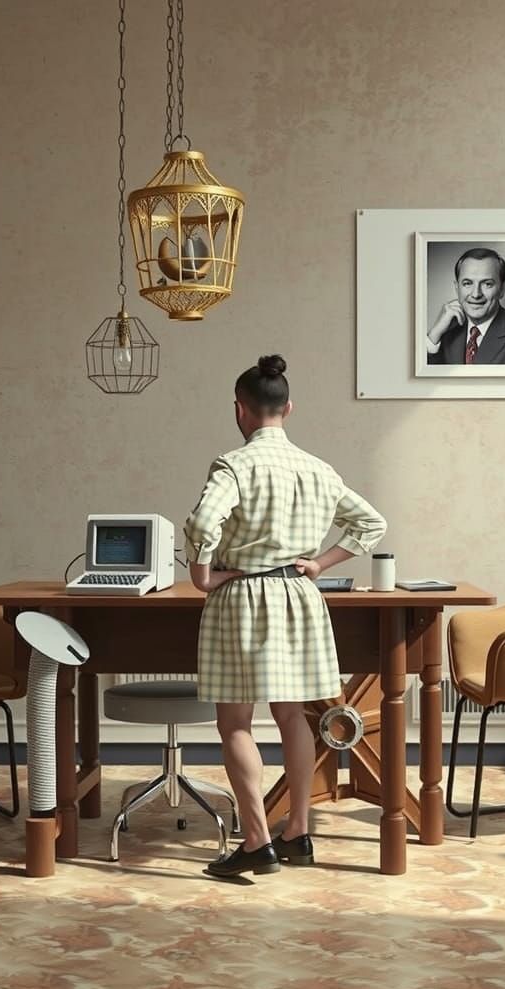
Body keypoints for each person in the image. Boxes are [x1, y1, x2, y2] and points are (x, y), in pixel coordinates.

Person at [183, 354, 387, 878]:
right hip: (298, 597)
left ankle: (255, 842)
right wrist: (320, 562)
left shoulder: (234, 464)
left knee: (235, 723)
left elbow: (204, 520)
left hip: (246, 598)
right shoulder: (319, 469)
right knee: (293, 716)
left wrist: (202, 574)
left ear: (239, 410)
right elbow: (371, 523)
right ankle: (297, 831)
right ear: (288, 408)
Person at [425, 247, 505, 365]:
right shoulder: (445, 331)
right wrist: (434, 334)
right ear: (457, 288)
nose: (476, 294)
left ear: (502, 289)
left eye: (487, 284)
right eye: (467, 283)